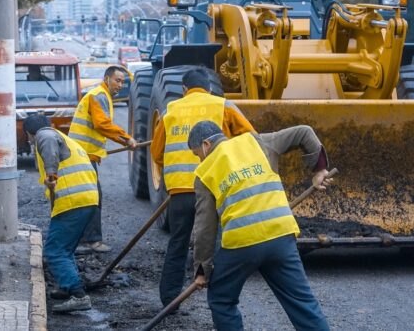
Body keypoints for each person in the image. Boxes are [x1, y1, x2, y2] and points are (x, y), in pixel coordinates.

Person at [188, 121, 334, 331]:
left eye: (197, 154)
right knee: (303, 304)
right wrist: (320, 170)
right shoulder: (257, 141)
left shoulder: (204, 172)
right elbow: (304, 132)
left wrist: (202, 269)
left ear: (206, 144)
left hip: (241, 244)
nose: (199, 159)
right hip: (280, 236)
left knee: (221, 299)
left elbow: (204, 227)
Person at [149, 68, 256, 308]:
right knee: (216, 245)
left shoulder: (170, 111)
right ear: (208, 87)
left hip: (180, 194)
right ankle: (219, 298)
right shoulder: (223, 106)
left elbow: (156, 153)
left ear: (184, 90)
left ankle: (170, 300)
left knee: (178, 242)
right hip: (215, 189)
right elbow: (251, 138)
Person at [24, 114, 99, 313]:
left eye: (28, 137)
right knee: (65, 249)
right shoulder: (66, 139)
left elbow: (46, 142)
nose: (30, 141)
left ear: (30, 133)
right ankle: (67, 287)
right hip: (86, 199)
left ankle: (78, 295)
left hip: (72, 201)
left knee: (54, 251)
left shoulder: (45, 135)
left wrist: (51, 175)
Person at [68, 65, 136, 253]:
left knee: (88, 198)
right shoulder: (99, 95)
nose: (120, 85)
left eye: (123, 82)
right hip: (82, 156)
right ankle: (90, 241)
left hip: (83, 155)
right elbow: (102, 124)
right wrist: (126, 138)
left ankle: (84, 239)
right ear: (107, 79)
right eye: (117, 80)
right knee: (92, 198)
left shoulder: (100, 95)